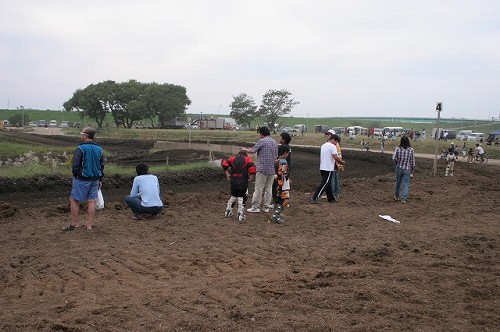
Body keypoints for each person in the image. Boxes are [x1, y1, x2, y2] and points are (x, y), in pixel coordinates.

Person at [64, 127, 105, 231]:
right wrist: (100, 179)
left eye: (82, 134)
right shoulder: (99, 149)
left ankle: (75, 223)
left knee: (74, 200)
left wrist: (76, 175)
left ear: (86, 136)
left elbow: (75, 165)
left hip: (82, 179)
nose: (81, 136)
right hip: (95, 179)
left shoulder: (81, 148)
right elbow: (102, 165)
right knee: (91, 201)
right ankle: (89, 225)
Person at [240, 126, 278, 213]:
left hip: (262, 168)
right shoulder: (274, 142)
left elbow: (252, 150)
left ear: (261, 133)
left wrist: (244, 149)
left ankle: (255, 207)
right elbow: (276, 156)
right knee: (268, 189)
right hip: (271, 169)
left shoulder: (262, 141)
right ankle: (266, 207)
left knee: (259, 188)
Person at [221, 151, 256, 221]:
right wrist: (251, 176)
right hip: (243, 182)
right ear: (245, 155)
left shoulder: (232, 158)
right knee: (242, 197)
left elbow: (224, 162)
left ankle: (228, 212)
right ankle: (240, 214)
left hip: (233, 181)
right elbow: (253, 168)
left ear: (238, 154)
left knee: (233, 196)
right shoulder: (247, 159)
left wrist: (227, 173)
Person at [311, 133, 345, 203]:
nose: (336, 144)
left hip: (322, 167)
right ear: (333, 139)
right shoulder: (332, 146)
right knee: (325, 183)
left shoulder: (323, 145)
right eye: (336, 142)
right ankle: (315, 197)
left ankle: (331, 198)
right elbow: (335, 156)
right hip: (328, 168)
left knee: (328, 183)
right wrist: (341, 162)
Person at [271, 131, 292, 208]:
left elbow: (277, 158)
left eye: (280, 137)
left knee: (276, 187)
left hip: (280, 172)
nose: (279, 139)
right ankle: (283, 202)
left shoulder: (282, 148)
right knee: (283, 188)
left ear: (284, 139)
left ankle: (277, 203)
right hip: (285, 171)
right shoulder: (288, 147)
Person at [271, 145, 290, 224]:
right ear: (285, 152)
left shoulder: (276, 160)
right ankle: (276, 214)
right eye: (288, 153)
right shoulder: (283, 162)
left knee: (277, 198)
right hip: (282, 183)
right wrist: (285, 180)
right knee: (284, 199)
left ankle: (275, 213)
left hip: (275, 181)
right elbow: (282, 173)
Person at [393, 136, 415, 204]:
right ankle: (403, 198)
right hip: (407, 168)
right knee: (405, 184)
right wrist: (412, 170)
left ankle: (396, 196)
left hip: (399, 167)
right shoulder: (411, 150)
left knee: (398, 182)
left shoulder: (397, 149)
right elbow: (412, 161)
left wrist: (397, 163)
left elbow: (394, 158)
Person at [324, 130, 343, 201]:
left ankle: (332, 194)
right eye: (327, 134)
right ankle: (335, 193)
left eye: (329, 135)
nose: (327, 136)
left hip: (333, 164)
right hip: (336, 164)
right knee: (335, 179)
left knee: (331, 179)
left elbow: (334, 155)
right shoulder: (335, 144)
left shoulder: (333, 145)